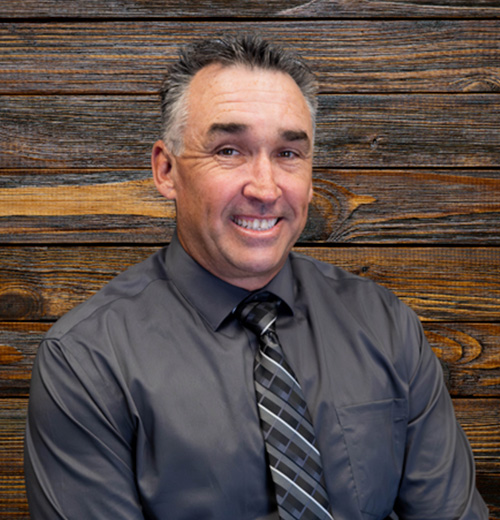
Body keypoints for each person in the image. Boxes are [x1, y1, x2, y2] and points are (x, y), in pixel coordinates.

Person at [24, 35, 488, 520]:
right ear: (166, 170)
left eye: (289, 154)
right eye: (228, 151)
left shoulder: (386, 325)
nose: (265, 188)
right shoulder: (86, 361)